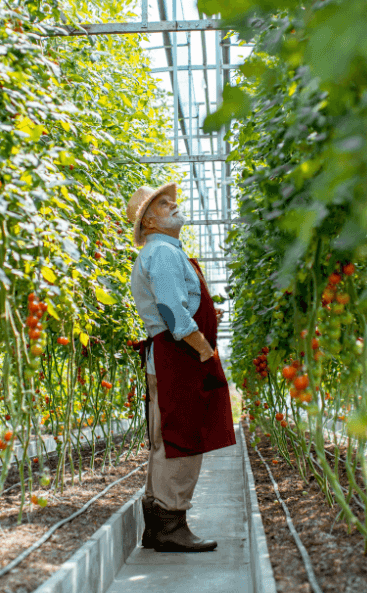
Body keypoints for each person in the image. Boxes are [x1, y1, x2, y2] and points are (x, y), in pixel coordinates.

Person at [125, 182, 235, 553]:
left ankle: (157, 525)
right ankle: (172, 524)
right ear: (150, 223)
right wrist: (205, 350)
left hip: (168, 356)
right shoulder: (165, 254)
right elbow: (174, 314)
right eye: (163, 204)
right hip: (181, 356)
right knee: (183, 441)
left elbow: (172, 304)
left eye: (172, 201)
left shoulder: (161, 253)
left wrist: (206, 312)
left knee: (165, 439)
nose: (173, 206)